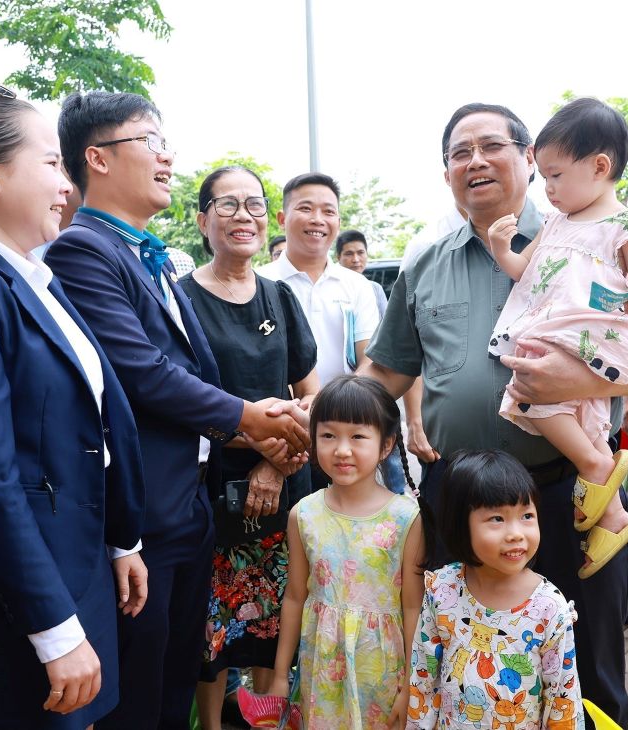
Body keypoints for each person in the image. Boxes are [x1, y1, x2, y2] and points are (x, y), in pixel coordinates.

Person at [361, 102, 628, 729]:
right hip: (459, 499)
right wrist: (321, 411)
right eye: (459, 152)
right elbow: (387, 372)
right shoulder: (425, 262)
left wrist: (577, 379)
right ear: (446, 172)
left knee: (586, 664)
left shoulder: (585, 236)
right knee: (460, 666)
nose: (475, 160)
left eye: (491, 145)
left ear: (529, 158)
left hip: (565, 494)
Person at [44, 90, 310, 729]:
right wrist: (250, 418)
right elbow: (143, 373)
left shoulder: (148, 254)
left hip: (190, 508)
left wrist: (259, 434)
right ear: (97, 158)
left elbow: (198, 374)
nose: (167, 157)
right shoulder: (83, 250)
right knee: (141, 694)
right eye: (151, 142)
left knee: (176, 684)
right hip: (144, 517)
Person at [0, 81, 147, 728]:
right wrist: (53, 629)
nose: (67, 185)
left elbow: (90, 426)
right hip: (20, 602)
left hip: (77, 569)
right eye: (51, 163)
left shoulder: (34, 277)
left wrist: (121, 542)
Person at [487, 97, 628, 577]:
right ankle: (614, 516)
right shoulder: (556, 223)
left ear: (599, 166)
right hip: (554, 328)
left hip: (589, 332)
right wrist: (501, 248)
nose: (548, 188)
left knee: (529, 394)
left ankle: (595, 467)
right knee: (585, 417)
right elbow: (523, 271)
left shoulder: (626, 225)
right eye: (545, 177)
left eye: (555, 175)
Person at [179, 165, 319, 730]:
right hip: (209, 487)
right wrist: (255, 442)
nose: (245, 216)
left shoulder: (279, 296)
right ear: (202, 220)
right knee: (213, 625)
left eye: (255, 204)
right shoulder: (179, 299)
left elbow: (311, 394)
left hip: (285, 480)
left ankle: (265, 722)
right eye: (228, 204)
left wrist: (272, 463)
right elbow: (177, 403)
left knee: (274, 624)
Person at [269, 375, 424, 729]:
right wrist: (280, 674)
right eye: (328, 435)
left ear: (386, 445)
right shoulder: (304, 515)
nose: (341, 450)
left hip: (384, 670)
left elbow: (413, 606)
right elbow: (295, 596)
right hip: (321, 668)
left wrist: (411, 685)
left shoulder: (406, 518)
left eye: (357, 436)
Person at [407, 450, 585, 730]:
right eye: (497, 519)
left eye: (526, 515)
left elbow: (563, 701)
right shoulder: (442, 589)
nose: (516, 533)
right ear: (460, 525)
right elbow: (423, 678)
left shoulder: (549, 608)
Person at [259, 175, 382, 490]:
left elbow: (368, 360)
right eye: (306, 208)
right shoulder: (259, 282)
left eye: (328, 211)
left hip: (345, 428)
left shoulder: (357, 286)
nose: (318, 219)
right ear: (282, 218)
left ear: (338, 221)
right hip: (279, 431)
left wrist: (327, 406)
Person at [335, 228, 407, 494]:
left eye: (360, 253)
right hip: (341, 388)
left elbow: (389, 334)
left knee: (388, 451)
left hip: (375, 382)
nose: (355, 259)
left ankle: (397, 495)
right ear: (338, 257)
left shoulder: (374, 289)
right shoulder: (337, 288)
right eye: (348, 254)